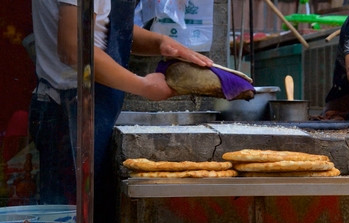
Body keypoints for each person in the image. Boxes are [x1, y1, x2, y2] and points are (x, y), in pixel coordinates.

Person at [29, 0, 212, 204]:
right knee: (70, 219)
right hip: (69, 110)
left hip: (95, 105)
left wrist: (161, 43)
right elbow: (73, 47)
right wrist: (144, 86)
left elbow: (104, 27)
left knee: (92, 212)